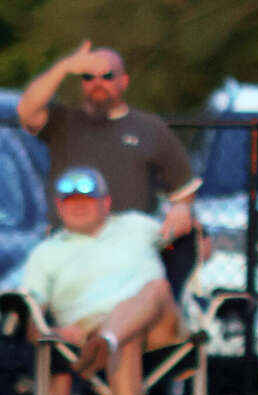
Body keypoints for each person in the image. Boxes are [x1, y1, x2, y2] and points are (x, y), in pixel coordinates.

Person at [18, 167, 181, 395]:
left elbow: (190, 242)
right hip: (89, 336)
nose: (78, 207)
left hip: (161, 326)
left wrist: (186, 215)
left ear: (106, 203)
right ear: (59, 207)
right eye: (70, 201)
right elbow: (31, 316)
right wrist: (51, 331)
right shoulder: (45, 253)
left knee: (156, 288)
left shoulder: (138, 225)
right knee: (123, 337)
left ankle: (107, 339)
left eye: (87, 200)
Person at [18, 41, 199, 248]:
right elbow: (26, 110)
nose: (98, 83)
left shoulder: (151, 128)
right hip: (69, 247)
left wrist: (181, 209)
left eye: (107, 76)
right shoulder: (62, 122)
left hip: (131, 250)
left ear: (124, 81)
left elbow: (184, 192)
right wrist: (65, 67)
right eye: (88, 77)